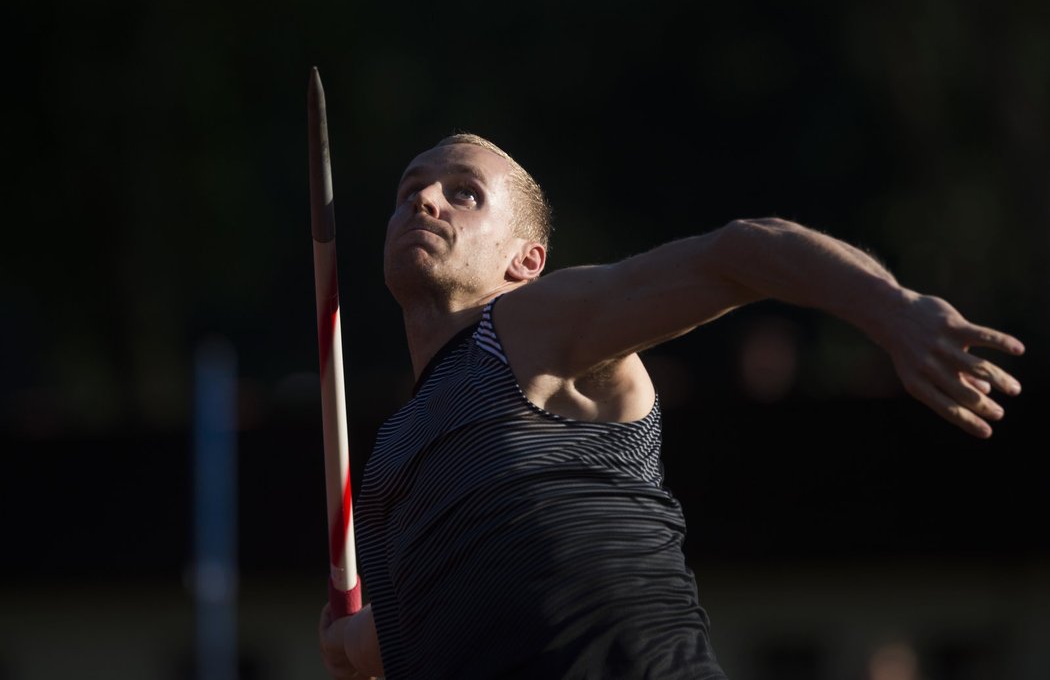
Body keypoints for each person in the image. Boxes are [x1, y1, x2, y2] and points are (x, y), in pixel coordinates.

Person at [318, 133, 1024, 679]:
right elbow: (438, 618)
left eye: (464, 192)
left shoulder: (532, 330)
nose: (425, 199)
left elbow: (739, 253)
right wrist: (350, 642)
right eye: (410, 189)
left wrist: (890, 308)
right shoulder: (394, 451)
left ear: (524, 261)